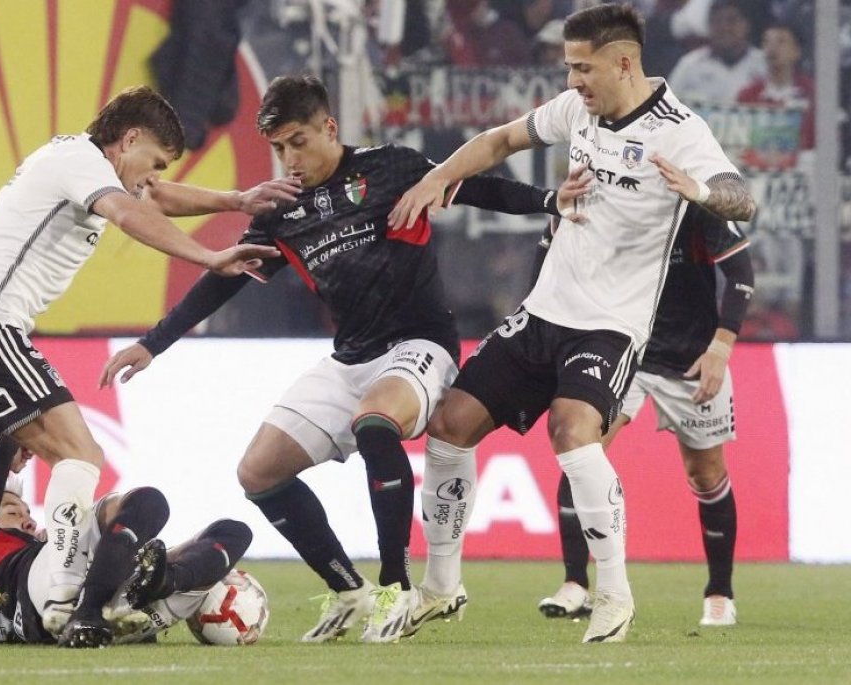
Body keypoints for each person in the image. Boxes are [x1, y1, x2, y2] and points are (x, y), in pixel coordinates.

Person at [100, 74, 578, 644]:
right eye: (278, 148)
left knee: (376, 423)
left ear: (329, 128)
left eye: (298, 141)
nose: (289, 159)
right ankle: (349, 590)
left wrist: (550, 201)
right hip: (349, 358)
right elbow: (224, 280)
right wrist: (152, 343)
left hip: (418, 346)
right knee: (258, 472)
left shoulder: (390, 167)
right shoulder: (281, 210)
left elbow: (474, 186)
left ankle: (396, 588)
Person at [0, 85, 295, 648]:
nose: (149, 178)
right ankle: (62, 598)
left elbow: (155, 196)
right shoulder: (82, 163)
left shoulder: (76, 162)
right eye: (149, 162)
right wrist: (208, 255)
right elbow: (130, 212)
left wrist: (237, 201)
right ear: (127, 141)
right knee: (80, 453)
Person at [389, 3, 755, 643]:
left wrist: (699, 192)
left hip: (611, 325)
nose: (574, 80)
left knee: (573, 431)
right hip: (544, 311)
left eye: (583, 68)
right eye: (569, 68)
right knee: (448, 426)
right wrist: (441, 176)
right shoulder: (576, 110)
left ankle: (613, 596)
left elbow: (741, 197)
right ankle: (441, 588)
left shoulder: (680, 130)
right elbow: (502, 139)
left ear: (624, 61)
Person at [535, 204, 754, 627]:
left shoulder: (692, 204)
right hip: (621, 350)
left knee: (706, 475)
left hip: (690, 360)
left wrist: (721, 348)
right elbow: (545, 266)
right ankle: (576, 584)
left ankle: (720, 593)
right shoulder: (595, 198)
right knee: (581, 446)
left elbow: (742, 275)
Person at [0, 441, 254, 648]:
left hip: (110, 609)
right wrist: (18, 441)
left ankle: (162, 582)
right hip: (49, 596)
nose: (29, 520)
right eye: (12, 511)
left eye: (27, 513)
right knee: (148, 502)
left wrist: (162, 564)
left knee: (235, 532)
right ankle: (90, 611)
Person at [668, 0, 766, 104]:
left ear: (746, 25)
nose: (724, 28)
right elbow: (667, 105)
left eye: (731, 20)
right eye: (717, 21)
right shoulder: (690, 65)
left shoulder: (764, 63)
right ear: (708, 26)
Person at [737, 23, 815, 152]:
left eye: (781, 41)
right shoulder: (747, 95)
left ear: (796, 51)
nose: (772, 48)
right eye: (767, 42)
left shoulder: (812, 92)